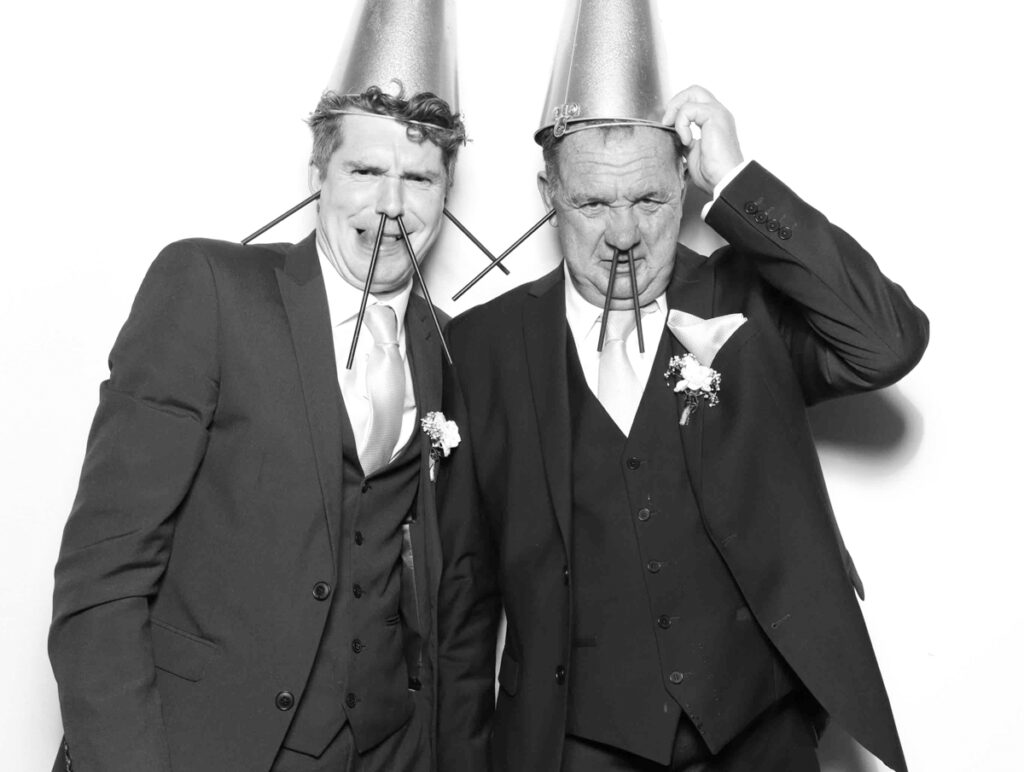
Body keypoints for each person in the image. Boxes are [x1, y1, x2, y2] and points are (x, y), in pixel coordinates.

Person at [435, 83, 927, 772]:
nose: (624, 235)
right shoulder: (482, 346)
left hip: (759, 733)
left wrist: (735, 177)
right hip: (574, 746)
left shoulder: (747, 303)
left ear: (684, 186)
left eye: (650, 200)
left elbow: (886, 342)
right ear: (548, 192)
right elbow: (464, 594)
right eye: (592, 203)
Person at [48, 82, 464, 772]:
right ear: (317, 177)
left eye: (418, 178)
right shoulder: (210, 286)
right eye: (365, 171)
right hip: (202, 745)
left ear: (444, 195)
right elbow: (105, 573)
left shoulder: (446, 342)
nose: (392, 205)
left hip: (382, 749)